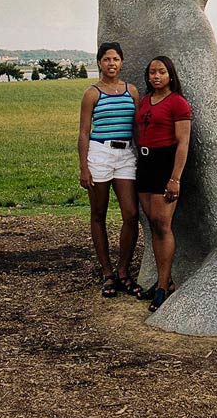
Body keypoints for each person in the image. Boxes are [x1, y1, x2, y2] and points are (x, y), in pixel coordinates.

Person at [78, 42, 143, 298]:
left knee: (130, 214)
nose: (111, 63)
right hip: (100, 154)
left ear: (122, 62)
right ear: (99, 62)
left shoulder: (132, 91)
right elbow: (83, 133)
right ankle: (107, 273)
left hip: (126, 154)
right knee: (99, 214)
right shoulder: (92, 93)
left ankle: (123, 270)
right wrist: (84, 167)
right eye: (106, 59)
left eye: (115, 59)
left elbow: (137, 129)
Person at [135, 55, 192, 312]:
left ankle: (163, 287)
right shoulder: (145, 101)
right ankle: (162, 281)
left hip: (165, 165)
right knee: (153, 223)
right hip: (145, 165)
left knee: (162, 224)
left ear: (170, 75)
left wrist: (175, 178)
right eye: (152, 73)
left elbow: (183, 143)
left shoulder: (178, 104)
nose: (155, 76)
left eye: (161, 72)